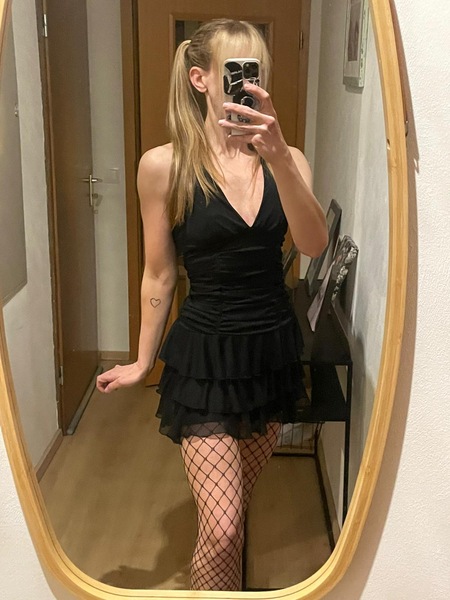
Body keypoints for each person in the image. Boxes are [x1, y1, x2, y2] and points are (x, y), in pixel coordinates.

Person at [96, 19, 328, 592]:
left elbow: (313, 245)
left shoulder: (288, 159)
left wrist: (278, 156)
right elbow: (159, 271)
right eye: (235, 71)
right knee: (222, 526)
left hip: (270, 350)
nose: (249, 83)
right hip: (204, 355)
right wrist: (142, 359)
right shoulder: (164, 166)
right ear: (200, 78)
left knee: (233, 511)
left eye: (256, 70)